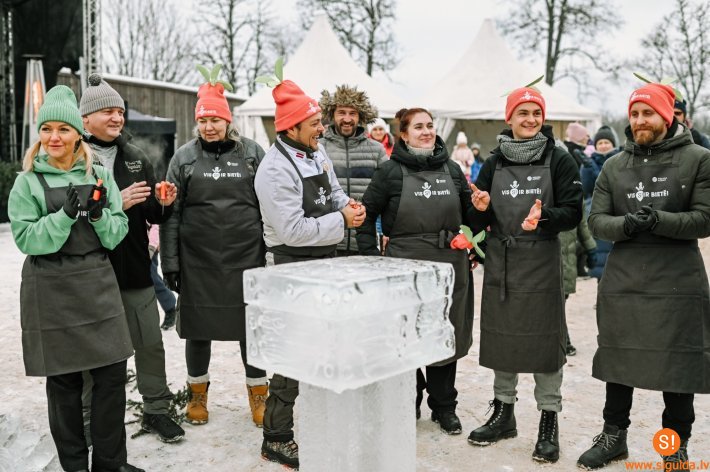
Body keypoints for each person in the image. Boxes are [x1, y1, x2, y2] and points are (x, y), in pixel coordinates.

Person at [8, 85, 144, 472]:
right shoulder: (27, 182)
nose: (54, 137)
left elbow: (116, 234)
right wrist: (65, 216)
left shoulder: (98, 175)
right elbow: (26, 239)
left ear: (76, 134)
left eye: (63, 129)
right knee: (65, 386)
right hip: (51, 290)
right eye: (46, 129)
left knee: (112, 377)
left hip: (97, 284)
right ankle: (75, 467)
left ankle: (110, 464)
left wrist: (99, 216)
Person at [577, 82, 710, 470]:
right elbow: (597, 221)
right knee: (620, 357)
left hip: (678, 278)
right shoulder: (615, 165)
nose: (639, 120)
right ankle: (614, 437)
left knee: (679, 363)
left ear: (666, 116)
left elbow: (705, 219)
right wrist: (628, 225)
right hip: (626, 278)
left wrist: (659, 220)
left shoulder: (698, 159)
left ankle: (674, 446)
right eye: (634, 114)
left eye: (647, 113)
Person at [466, 85, 582, 463]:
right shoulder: (494, 162)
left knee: (545, 343)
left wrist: (544, 217)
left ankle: (549, 419)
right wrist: (480, 209)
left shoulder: (559, 159)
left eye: (536, 113)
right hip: (503, 261)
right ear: (510, 118)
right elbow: (477, 219)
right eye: (523, 113)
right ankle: (504, 413)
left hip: (541, 262)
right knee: (504, 339)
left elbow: (573, 212)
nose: (530, 120)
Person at [254, 76, 366, 469]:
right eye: (315, 123)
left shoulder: (316, 153)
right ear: (292, 127)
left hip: (323, 261)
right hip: (290, 266)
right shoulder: (274, 170)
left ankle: (319, 420)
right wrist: (342, 221)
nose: (323, 128)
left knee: (324, 346)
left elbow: (333, 192)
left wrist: (348, 205)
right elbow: (293, 231)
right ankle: (276, 436)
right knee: (293, 354)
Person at [160, 69, 269, 429]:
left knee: (249, 329)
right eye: (203, 120)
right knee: (198, 329)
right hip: (198, 261)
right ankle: (197, 396)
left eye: (215, 120)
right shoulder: (184, 158)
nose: (209, 127)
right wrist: (170, 262)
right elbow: (171, 214)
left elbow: (270, 205)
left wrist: (269, 256)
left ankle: (259, 395)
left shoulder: (252, 153)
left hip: (247, 258)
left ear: (228, 120)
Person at [356, 107, 476, 436]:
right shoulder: (390, 172)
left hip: (449, 263)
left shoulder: (452, 169)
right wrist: (371, 258)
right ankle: (409, 398)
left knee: (444, 333)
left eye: (430, 126)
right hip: (403, 266)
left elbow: (471, 216)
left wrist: (477, 223)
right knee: (406, 336)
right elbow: (366, 215)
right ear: (404, 134)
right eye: (418, 127)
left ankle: (444, 405)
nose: (426, 132)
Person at [79, 74, 184, 444]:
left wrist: (164, 204)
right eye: (107, 111)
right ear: (86, 118)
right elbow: (70, 217)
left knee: (150, 343)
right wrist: (114, 203)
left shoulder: (136, 157)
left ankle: (157, 410)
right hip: (91, 272)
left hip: (135, 268)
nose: (117, 117)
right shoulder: (74, 159)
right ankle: (88, 419)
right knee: (94, 350)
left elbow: (151, 213)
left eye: (120, 111)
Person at [320, 84, 386, 255]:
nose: (347, 119)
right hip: (328, 241)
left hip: (365, 242)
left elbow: (388, 194)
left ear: (361, 116)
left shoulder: (376, 150)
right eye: (341, 113)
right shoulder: (318, 148)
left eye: (353, 113)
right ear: (332, 115)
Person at [580, 125, 619, 280]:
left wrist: (596, 171)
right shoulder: (588, 163)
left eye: (606, 142)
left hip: (616, 212)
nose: (603, 146)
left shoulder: (620, 161)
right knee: (600, 254)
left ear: (613, 144)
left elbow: (614, 186)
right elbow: (586, 189)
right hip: (596, 211)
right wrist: (587, 169)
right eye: (600, 143)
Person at [147, 224, 177, 330]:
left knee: (152, 279)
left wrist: (152, 246)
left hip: (149, 248)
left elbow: (156, 225)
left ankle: (170, 306)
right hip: (133, 245)